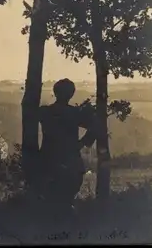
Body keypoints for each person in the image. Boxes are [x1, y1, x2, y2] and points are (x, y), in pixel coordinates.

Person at [38, 78, 98, 214]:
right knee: (66, 199)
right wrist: (81, 143)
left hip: (48, 161)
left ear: (55, 92)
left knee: (51, 201)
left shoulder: (44, 112)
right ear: (72, 94)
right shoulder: (74, 113)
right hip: (70, 161)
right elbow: (94, 127)